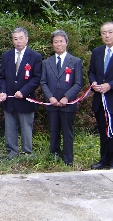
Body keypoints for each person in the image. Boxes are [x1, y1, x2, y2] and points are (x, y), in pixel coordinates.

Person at [0, 27, 42, 159]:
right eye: (15, 39)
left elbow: (36, 78)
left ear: (27, 39)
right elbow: (2, 77)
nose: (18, 42)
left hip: (26, 98)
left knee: (26, 127)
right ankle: (12, 152)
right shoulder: (6, 56)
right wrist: (3, 91)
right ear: (12, 40)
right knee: (10, 127)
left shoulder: (35, 56)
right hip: (9, 99)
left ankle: (27, 153)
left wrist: (23, 92)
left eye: (21, 38)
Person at [40, 30, 82, 166]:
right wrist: (50, 97)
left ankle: (68, 159)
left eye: (61, 41)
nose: (58, 44)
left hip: (68, 104)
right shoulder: (46, 62)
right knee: (53, 130)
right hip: (52, 103)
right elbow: (43, 82)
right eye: (55, 42)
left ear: (66, 43)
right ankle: (54, 156)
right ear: (52, 44)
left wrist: (66, 97)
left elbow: (78, 83)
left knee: (67, 131)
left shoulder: (75, 61)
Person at [88, 21, 113, 170]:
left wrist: (110, 85)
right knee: (103, 131)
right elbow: (91, 71)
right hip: (100, 99)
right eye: (103, 33)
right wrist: (93, 82)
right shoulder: (97, 52)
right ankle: (104, 159)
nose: (107, 35)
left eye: (110, 32)